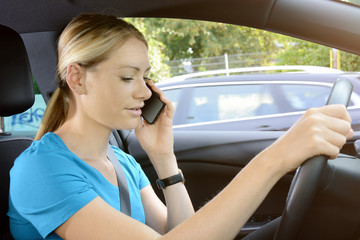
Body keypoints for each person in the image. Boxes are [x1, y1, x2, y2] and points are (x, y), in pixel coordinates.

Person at [8, 13, 353, 240]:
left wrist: (163, 156)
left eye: (145, 77)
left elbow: (182, 232)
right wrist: (274, 158)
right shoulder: (41, 169)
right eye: (128, 77)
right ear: (77, 78)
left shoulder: (121, 161)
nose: (145, 92)